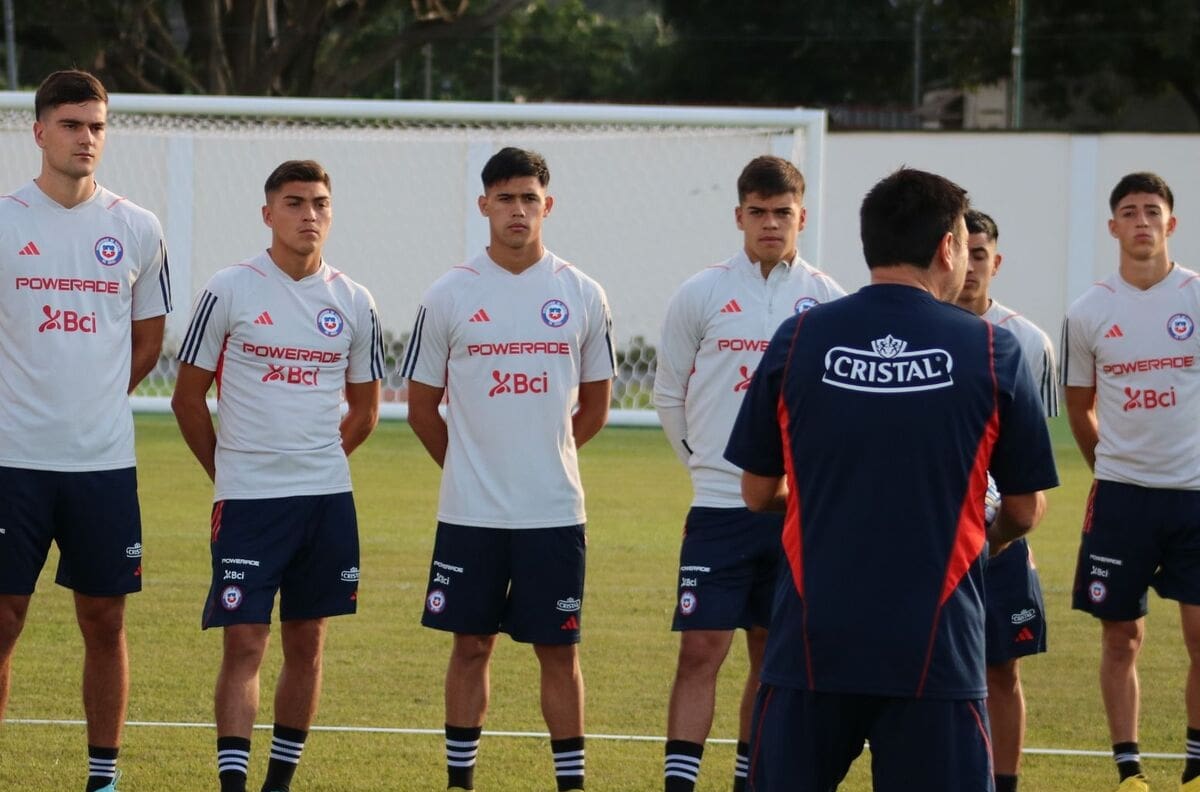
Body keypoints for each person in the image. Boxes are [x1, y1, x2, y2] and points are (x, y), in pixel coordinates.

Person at [724, 167, 1058, 791]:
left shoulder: (797, 338)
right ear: (948, 248)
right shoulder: (992, 349)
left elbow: (757, 492)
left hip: (812, 643)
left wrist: (829, 506)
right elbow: (1024, 506)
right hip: (937, 648)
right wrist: (985, 539)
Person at [401, 146, 614, 792]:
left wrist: (542, 456)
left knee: (560, 652)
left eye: (529, 198)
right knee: (469, 647)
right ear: (484, 206)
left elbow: (597, 406)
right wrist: (471, 466)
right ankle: (460, 783)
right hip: (471, 514)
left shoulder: (580, 292)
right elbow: (419, 409)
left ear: (547, 205)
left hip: (553, 512)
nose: (517, 210)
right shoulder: (449, 294)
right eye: (505, 198)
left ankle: (570, 784)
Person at [172, 160, 383, 792]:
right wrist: (228, 470)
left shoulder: (353, 300)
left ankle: (278, 784)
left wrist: (318, 462)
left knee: (308, 643)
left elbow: (367, 409)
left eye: (320, 203)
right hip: (249, 501)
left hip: (325, 501)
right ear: (268, 215)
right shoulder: (230, 289)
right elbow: (188, 397)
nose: (309, 215)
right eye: (294, 203)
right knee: (244, 641)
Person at [0, 69, 171, 792]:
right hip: (12, 462)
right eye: (71, 124)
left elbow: (148, 339)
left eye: (97, 126)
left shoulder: (136, 227)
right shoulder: (6, 220)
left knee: (105, 621)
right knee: (4, 621)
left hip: (102, 465)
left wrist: (95, 399)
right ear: (38, 132)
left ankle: (103, 776)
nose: (86, 138)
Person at [653, 155, 845, 792]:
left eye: (782, 213)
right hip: (716, 509)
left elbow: (838, 409)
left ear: (802, 217)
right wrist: (709, 471)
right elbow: (669, 395)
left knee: (771, 654)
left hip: (795, 513)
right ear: (739, 215)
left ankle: (749, 780)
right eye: (758, 212)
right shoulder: (701, 293)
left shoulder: (827, 301)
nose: (770, 223)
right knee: (701, 650)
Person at [1062, 172, 1200, 792]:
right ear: (1113, 227)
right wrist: (1111, 467)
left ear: (1171, 224)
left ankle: (1196, 766)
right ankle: (1130, 771)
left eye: (1153, 211)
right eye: (1129, 212)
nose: (1141, 221)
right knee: (1122, 636)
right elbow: (1079, 405)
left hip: (1195, 495)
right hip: (1121, 499)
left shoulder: (1196, 298)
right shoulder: (1089, 312)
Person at [957, 209, 1058, 792]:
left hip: (1001, 539)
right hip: (939, 535)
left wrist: (1013, 533)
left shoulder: (1027, 341)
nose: (971, 265)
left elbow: (1032, 465)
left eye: (981, 254)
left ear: (996, 262)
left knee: (1002, 671)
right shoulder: (929, 330)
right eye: (961, 250)